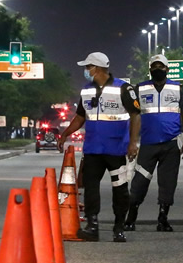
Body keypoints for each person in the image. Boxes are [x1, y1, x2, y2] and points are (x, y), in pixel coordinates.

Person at [56, 51, 140, 243]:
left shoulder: (124, 89)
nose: (86, 71)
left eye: (88, 67)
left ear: (98, 68)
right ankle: (92, 226)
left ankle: (119, 228)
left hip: (117, 149)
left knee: (120, 189)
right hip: (93, 149)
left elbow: (135, 115)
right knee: (90, 187)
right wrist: (65, 134)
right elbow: (80, 117)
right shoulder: (86, 91)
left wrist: (133, 143)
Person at [124, 54, 183, 232]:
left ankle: (163, 218)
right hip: (148, 144)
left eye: (161, 67)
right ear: (150, 70)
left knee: (168, 182)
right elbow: (133, 116)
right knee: (139, 181)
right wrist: (131, 142)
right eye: (154, 67)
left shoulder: (178, 88)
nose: (158, 70)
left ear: (167, 70)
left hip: (170, 144)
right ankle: (131, 217)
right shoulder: (140, 89)